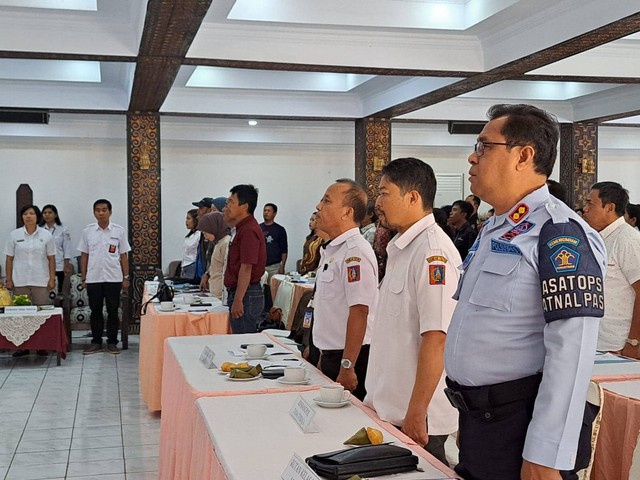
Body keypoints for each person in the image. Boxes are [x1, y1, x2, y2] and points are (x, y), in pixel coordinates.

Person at [444, 104, 606, 480]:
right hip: (481, 421)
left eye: (484, 146)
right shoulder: (497, 227)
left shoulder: (559, 232)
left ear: (524, 155)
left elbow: (572, 350)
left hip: (521, 426)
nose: (473, 156)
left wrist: (546, 453)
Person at [364, 158, 460, 466]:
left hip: (417, 415)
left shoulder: (433, 253)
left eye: (384, 193)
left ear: (413, 197)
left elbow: (436, 337)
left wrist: (418, 412)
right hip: (390, 404)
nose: (377, 202)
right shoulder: (402, 246)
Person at [314, 178, 378, 400]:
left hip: (352, 356)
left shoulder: (355, 253)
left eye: (326, 201)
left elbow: (360, 311)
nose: (318, 206)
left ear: (346, 212)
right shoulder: (334, 250)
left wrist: (347, 365)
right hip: (334, 354)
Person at [582, 182, 640, 359]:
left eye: (590, 204)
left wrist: (634, 342)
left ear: (610, 207)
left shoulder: (627, 239)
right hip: (598, 341)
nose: (585, 209)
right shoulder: (597, 238)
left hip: (618, 346)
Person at [78, 199, 131, 355]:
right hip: (93, 278)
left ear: (110, 212)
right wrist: (84, 277)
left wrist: (126, 277)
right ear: (94, 212)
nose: (101, 213)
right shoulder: (87, 231)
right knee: (95, 311)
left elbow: (123, 256)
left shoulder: (118, 231)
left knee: (113, 311)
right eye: (97, 210)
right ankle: (96, 342)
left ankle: (113, 342)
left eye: (104, 210)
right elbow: (84, 255)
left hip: (113, 277)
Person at [5, 205, 56, 357]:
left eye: (32, 213)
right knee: (21, 315)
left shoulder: (46, 235)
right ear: (22, 217)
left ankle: (42, 346)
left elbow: (51, 258)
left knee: (41, 314)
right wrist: (8, 279)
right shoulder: (14, 235)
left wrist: (52, 278)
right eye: (25, 213)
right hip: (20, 280)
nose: (28, 216)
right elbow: (9, 258)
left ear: (37, 216)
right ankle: (23, 346)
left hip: (41, 280)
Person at [223, 185, 267, 334]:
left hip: (246, 294)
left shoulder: (249, 230)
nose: (227, 206)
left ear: (244, 206)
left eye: (231, 202)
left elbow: (246, 267)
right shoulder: (240, 228)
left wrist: (238, 300)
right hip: (243, 293)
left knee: (243, 341)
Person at [41, 204, 73, 292]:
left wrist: (66, 265)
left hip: (59, 264)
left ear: (55, 215)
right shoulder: (39, 229)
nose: (47, 215)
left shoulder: (63, 229)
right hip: (43, 264)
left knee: (59, 290)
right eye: (45, 213)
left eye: (50, 213)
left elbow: (67, 248)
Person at [198, 211, 230, 300]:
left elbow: (226, 271)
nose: (205, 237)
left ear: (213, 228)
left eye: (205, 233)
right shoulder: (218, 243)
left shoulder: (225, 243)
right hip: (215, 292)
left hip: (221, 294)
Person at [181, 209, 201, 280]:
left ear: (195, 220)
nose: (186, 221)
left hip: (193, 265)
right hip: (185, 265)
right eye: (186, 218)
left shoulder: (199, 234)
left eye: (188, 219)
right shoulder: (190, 235)